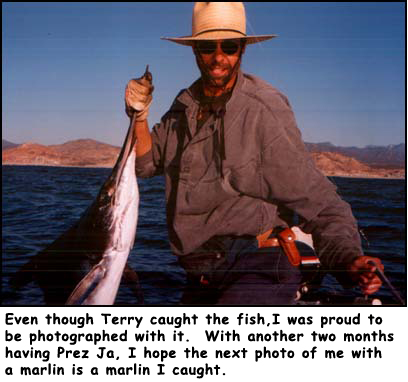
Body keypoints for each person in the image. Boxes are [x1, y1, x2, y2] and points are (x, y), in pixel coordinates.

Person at [125, 2, 383, 305]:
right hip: (203, 274)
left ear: (242, 50)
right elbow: (145, 163)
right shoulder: (184, 106)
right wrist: (139, 117)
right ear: (195, 51)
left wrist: (349, 259)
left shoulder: (263, 110)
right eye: (208, 46)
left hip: (258, 266)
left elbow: (321, 201)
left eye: (230, 46)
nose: (219, 57)